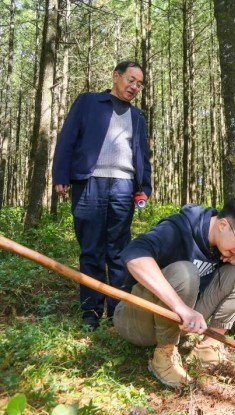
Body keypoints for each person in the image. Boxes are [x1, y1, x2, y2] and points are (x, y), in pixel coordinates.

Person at [112, 196, 235, 388]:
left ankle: (207, 347)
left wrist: (228, 258)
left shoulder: (222, 246)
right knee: (186, 272)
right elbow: (134, 256)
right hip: (136, 319)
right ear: (223, 225)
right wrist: (180, 307)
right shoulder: (177, 229)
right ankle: (164, 355)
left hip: (180, 324)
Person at [52, 61, 152, 331]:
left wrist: (145, 186)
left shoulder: (137, 116)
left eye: (139, 84)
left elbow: (142, 154)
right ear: (116, 76)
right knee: (91, 249)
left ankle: (117, 312)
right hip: (89, 183)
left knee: (119, 252)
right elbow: (67, 139)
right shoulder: (88, 102)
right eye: (131, 80)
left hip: (123, 186)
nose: (134, 87)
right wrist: (61, 175)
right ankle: (91, 312)